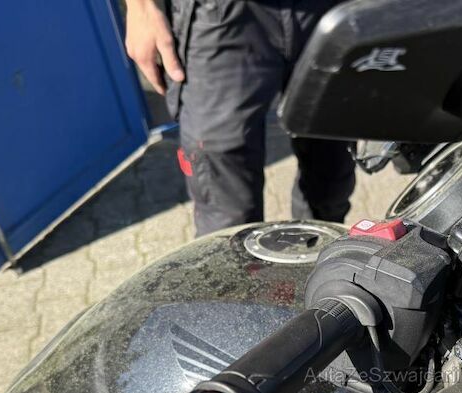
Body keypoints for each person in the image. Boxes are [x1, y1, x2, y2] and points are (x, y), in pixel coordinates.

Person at [125, 0, 356, 236]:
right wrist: (141, 7)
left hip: (331, 11)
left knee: (331, 184)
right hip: (221, 19)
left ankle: (318, 253)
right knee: (226, 221)